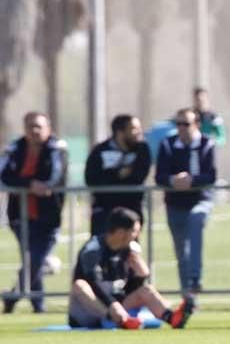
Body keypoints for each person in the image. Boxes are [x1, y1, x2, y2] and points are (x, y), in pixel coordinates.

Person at [68, 207, 193, 329]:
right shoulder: (93, 250)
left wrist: (141, 276)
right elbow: (93, 285)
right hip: (89, 311)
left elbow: (128, 289)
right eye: (134, 231)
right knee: (80, 285)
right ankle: (114, 319)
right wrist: (113, 307)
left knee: (146, 290)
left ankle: (172, 318)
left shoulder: (131, 250)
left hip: (117, 307)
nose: (137, 235)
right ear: (120, 232)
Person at [1, 112, 68, 313]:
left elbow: (54, 177)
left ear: (48, 128)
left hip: (48, 216)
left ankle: (14, 296)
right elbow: (4, 176)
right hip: (19, 215)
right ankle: (38, 305)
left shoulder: (57, 149)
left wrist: (38, 184)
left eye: (39, 126)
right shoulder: (15, 149)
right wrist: (30, 184)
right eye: (30, 126)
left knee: (36, 260)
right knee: (31, 261)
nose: (35, 130)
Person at [155, 108, 217, 298]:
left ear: (196, 124)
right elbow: (160, 176)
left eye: (186, 124)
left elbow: (211, 175)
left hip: (200, 200)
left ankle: (195, 279)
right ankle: (188, 298)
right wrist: (174, 180)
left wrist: (192, 181)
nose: (181, 128)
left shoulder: (207, 144)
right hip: (175, 203)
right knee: (182, 252)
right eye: (178, 124)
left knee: (196, 220)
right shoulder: (168, 144)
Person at [85, 114, 151, 235]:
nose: (139, 132)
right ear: (120, 132)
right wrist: (118, 173)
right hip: (104, 210)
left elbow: (138, 177)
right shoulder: (100, 150)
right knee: (101, 249)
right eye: (134, 129)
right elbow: (92, 179)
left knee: (129, 251)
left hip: (132, 209)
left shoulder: (142, 149)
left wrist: (110, 177)